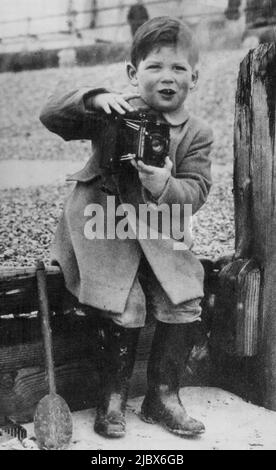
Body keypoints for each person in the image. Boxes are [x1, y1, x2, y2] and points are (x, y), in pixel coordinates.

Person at [39, 16, 213, 439]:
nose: (167, 78)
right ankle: (112, 397)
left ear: (195, 76)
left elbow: (198, 191)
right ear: (134, 74)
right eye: (155, 67)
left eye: (178, 68)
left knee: (185, 299)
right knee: (125, 304)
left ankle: (163, 396)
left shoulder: (197, 133)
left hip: (157, 230)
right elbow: (51, 115)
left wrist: (164, 184)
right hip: (102, 226)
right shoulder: (114, 111)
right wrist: (94, 99)